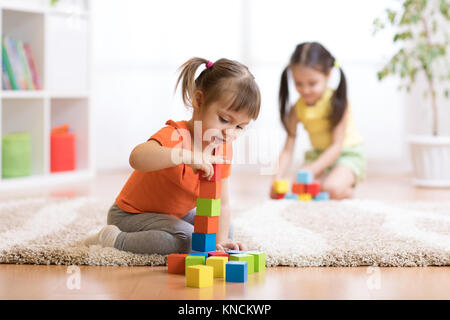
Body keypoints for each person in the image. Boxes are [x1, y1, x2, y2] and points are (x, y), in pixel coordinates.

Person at [85, 57, 261, 254]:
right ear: (199, 100)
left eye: (239, 127)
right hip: (132, 215)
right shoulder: (176, 135)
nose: (230, 133)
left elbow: (223, 203)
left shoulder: (223, 148)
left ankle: (210, 238)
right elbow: (137, 157)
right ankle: (113, 238)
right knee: (188, 240)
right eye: (224, 120)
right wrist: (185, 156)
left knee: (223, 228)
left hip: (175, 215)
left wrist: (219, 243)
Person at [271, 42, 366, 200]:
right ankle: (327, 184)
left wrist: (311, 170)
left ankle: (346, 190)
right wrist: (277, 177)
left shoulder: (338, 103)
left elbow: (336, 147)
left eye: (312, 83)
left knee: (331, 188)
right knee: (297, 187)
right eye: (298, 84)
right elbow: (288, 148)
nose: (305, 90)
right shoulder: (297, 109)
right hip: (318, 156)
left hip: (346, 155)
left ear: (327, 75)